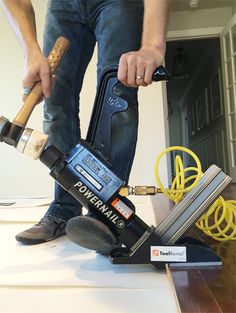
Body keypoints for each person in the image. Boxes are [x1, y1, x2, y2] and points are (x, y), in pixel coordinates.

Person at [1, 0, 170, 253]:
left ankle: (105, 210)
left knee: (117, 94)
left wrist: (153, 46)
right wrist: (31, 52)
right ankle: (64, 209)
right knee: (55, 99)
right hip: (63, 5)